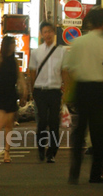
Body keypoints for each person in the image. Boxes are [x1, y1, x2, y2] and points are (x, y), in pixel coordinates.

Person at [63, 7, 103, 184]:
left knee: (79, 130)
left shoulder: (78, 42)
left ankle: (74, 171)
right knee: (99, 133)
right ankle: (95, 174)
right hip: (100, 90)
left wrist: (69, 90)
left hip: (82, 89)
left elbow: (68, 68)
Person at [28, 22, 65, 163]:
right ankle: (41, 148)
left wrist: (66, 90)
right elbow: (32, 72)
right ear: (41, 34)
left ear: (54, 33)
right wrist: (32, 91)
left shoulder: (61, 52)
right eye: (45, 32)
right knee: (42, 121)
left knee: (54, 123)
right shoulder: (36, 52)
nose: (48, 34)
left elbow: (65, 71)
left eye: (50, 31)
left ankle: (52, 152)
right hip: (40, 91)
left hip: (55, 91)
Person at [0, 36, 24, 164]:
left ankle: (6, 152)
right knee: (1, 122)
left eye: (14, 44)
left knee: (9, 124)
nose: (14, 46)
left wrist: (23, 91)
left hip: (11, 92)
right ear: (6, 45)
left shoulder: (14, 61)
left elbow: (19, 76)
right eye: (12, 44)